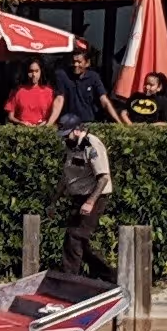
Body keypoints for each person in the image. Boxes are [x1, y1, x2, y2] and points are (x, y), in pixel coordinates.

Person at [46, 113, 115, 282]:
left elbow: (103, 177)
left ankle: (69, 279)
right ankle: (110, 277)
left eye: (66, 134)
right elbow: (66, 176)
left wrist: (90, 202)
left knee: (74, 236)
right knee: (82, 242)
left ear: (77, 130)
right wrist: (53, 202)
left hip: (93, 197)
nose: (64, 139)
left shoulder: (92, 145)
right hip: (78, 196)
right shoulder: (71, 145)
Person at [48, 49, 118, 125]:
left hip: (89, 122)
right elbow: (59, 99)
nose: (76, 65)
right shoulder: (62, 75)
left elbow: (104, 100)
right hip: (68, 123)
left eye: (79, 62)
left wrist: (119, 122)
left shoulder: (93, 77)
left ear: (87, 63)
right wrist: (49, 124)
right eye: (74, 61)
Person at [5, 60, 55, 126]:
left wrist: (45, 123)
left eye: (37, 71)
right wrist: (20, 123)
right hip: (22, 132)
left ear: (41, 72)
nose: (34, 75)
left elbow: (54, 115)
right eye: (31, 71)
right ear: (26, 72)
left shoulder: (49, 92)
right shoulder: (17, 91)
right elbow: (10, 117)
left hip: (43, 131)